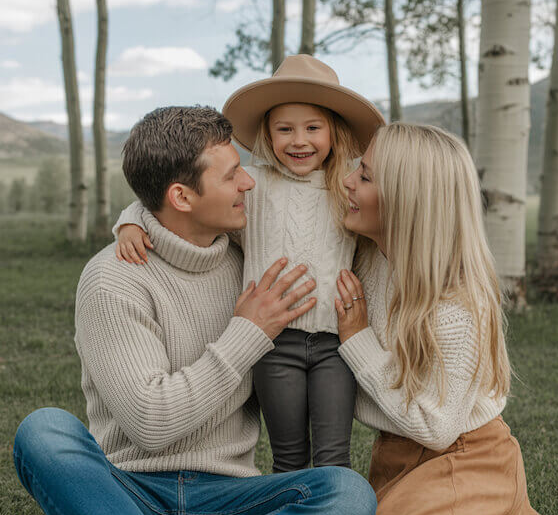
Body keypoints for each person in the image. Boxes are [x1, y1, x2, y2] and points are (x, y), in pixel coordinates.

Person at [12, 105, 377, 515]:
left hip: (227, 501)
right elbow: (153, 425)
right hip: (128, 501)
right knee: (42, 432)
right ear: (181, 196)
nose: (249, 183)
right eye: (232, 174)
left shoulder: (246, 258)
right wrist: (247, 333)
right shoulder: (113, 281)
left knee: (348, 497)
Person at [289, 121, 558, 515]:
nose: (348, 184)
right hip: (399, 461)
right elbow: (267, 204)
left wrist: (356, 341)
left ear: (406, 202)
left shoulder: (455, 304)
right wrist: (133, 220)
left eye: (365, 175)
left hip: (465, 461)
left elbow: (436, 425)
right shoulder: (367, 253)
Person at [115, 54, 385, 473]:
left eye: (313, 128)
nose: (299, 141)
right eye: (285, 129)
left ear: (334, 132)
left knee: (335, 457)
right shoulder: (253, 186)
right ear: (267, 134)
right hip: (274, 346)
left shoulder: (346, 186)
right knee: (289, 456)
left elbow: (396, 202)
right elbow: (172, 197)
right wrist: (130, 222)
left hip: (336, 345)